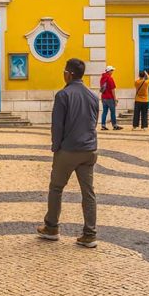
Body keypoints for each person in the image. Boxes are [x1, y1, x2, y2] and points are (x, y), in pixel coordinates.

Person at [37, 57, 100, 249]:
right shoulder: (93, 96)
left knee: (56, 188)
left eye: (64, 71)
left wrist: (56, 147)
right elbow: (94, 121)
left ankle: (51, 227)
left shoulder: (63, 95)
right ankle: (89, 234)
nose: (63, 74)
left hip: (69, 150)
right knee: (88, 192)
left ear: (69, 74)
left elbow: (57, 126)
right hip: (89, 149)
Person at [99, 65, 122, 131]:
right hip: (110, 98)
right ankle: (114, 125)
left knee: (104, 112)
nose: (112, 72)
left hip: (103, 97)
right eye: (112, 70)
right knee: (112, 112)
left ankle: (103, 125)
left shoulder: (102, 78)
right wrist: (115, 99)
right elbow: (112, 90)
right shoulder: (110, 78)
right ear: (109, 71)